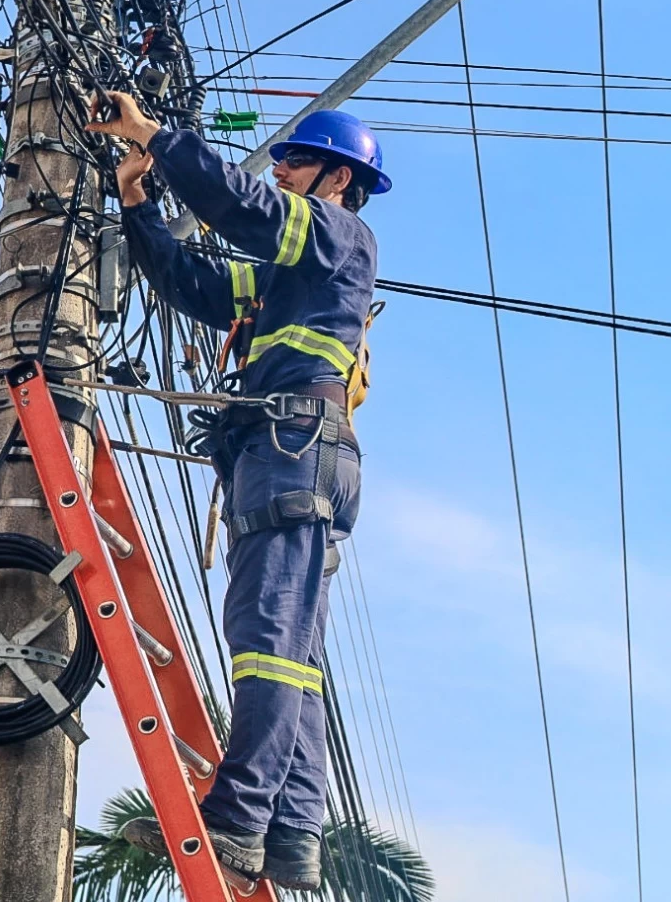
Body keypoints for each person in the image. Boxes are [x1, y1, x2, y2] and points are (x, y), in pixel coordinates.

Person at [85, 91, 390, 891]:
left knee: (268, 640)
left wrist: (154, 133)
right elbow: (194, 284)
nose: (280, 168)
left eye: (293, 159)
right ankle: (290, 833)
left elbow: (244, 207)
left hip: (294, 450)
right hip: (291, 452)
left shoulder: (338, 235)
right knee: (294, 655)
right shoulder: (297, 275)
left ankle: (240, 818)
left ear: (336, 177)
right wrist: (136, 201)